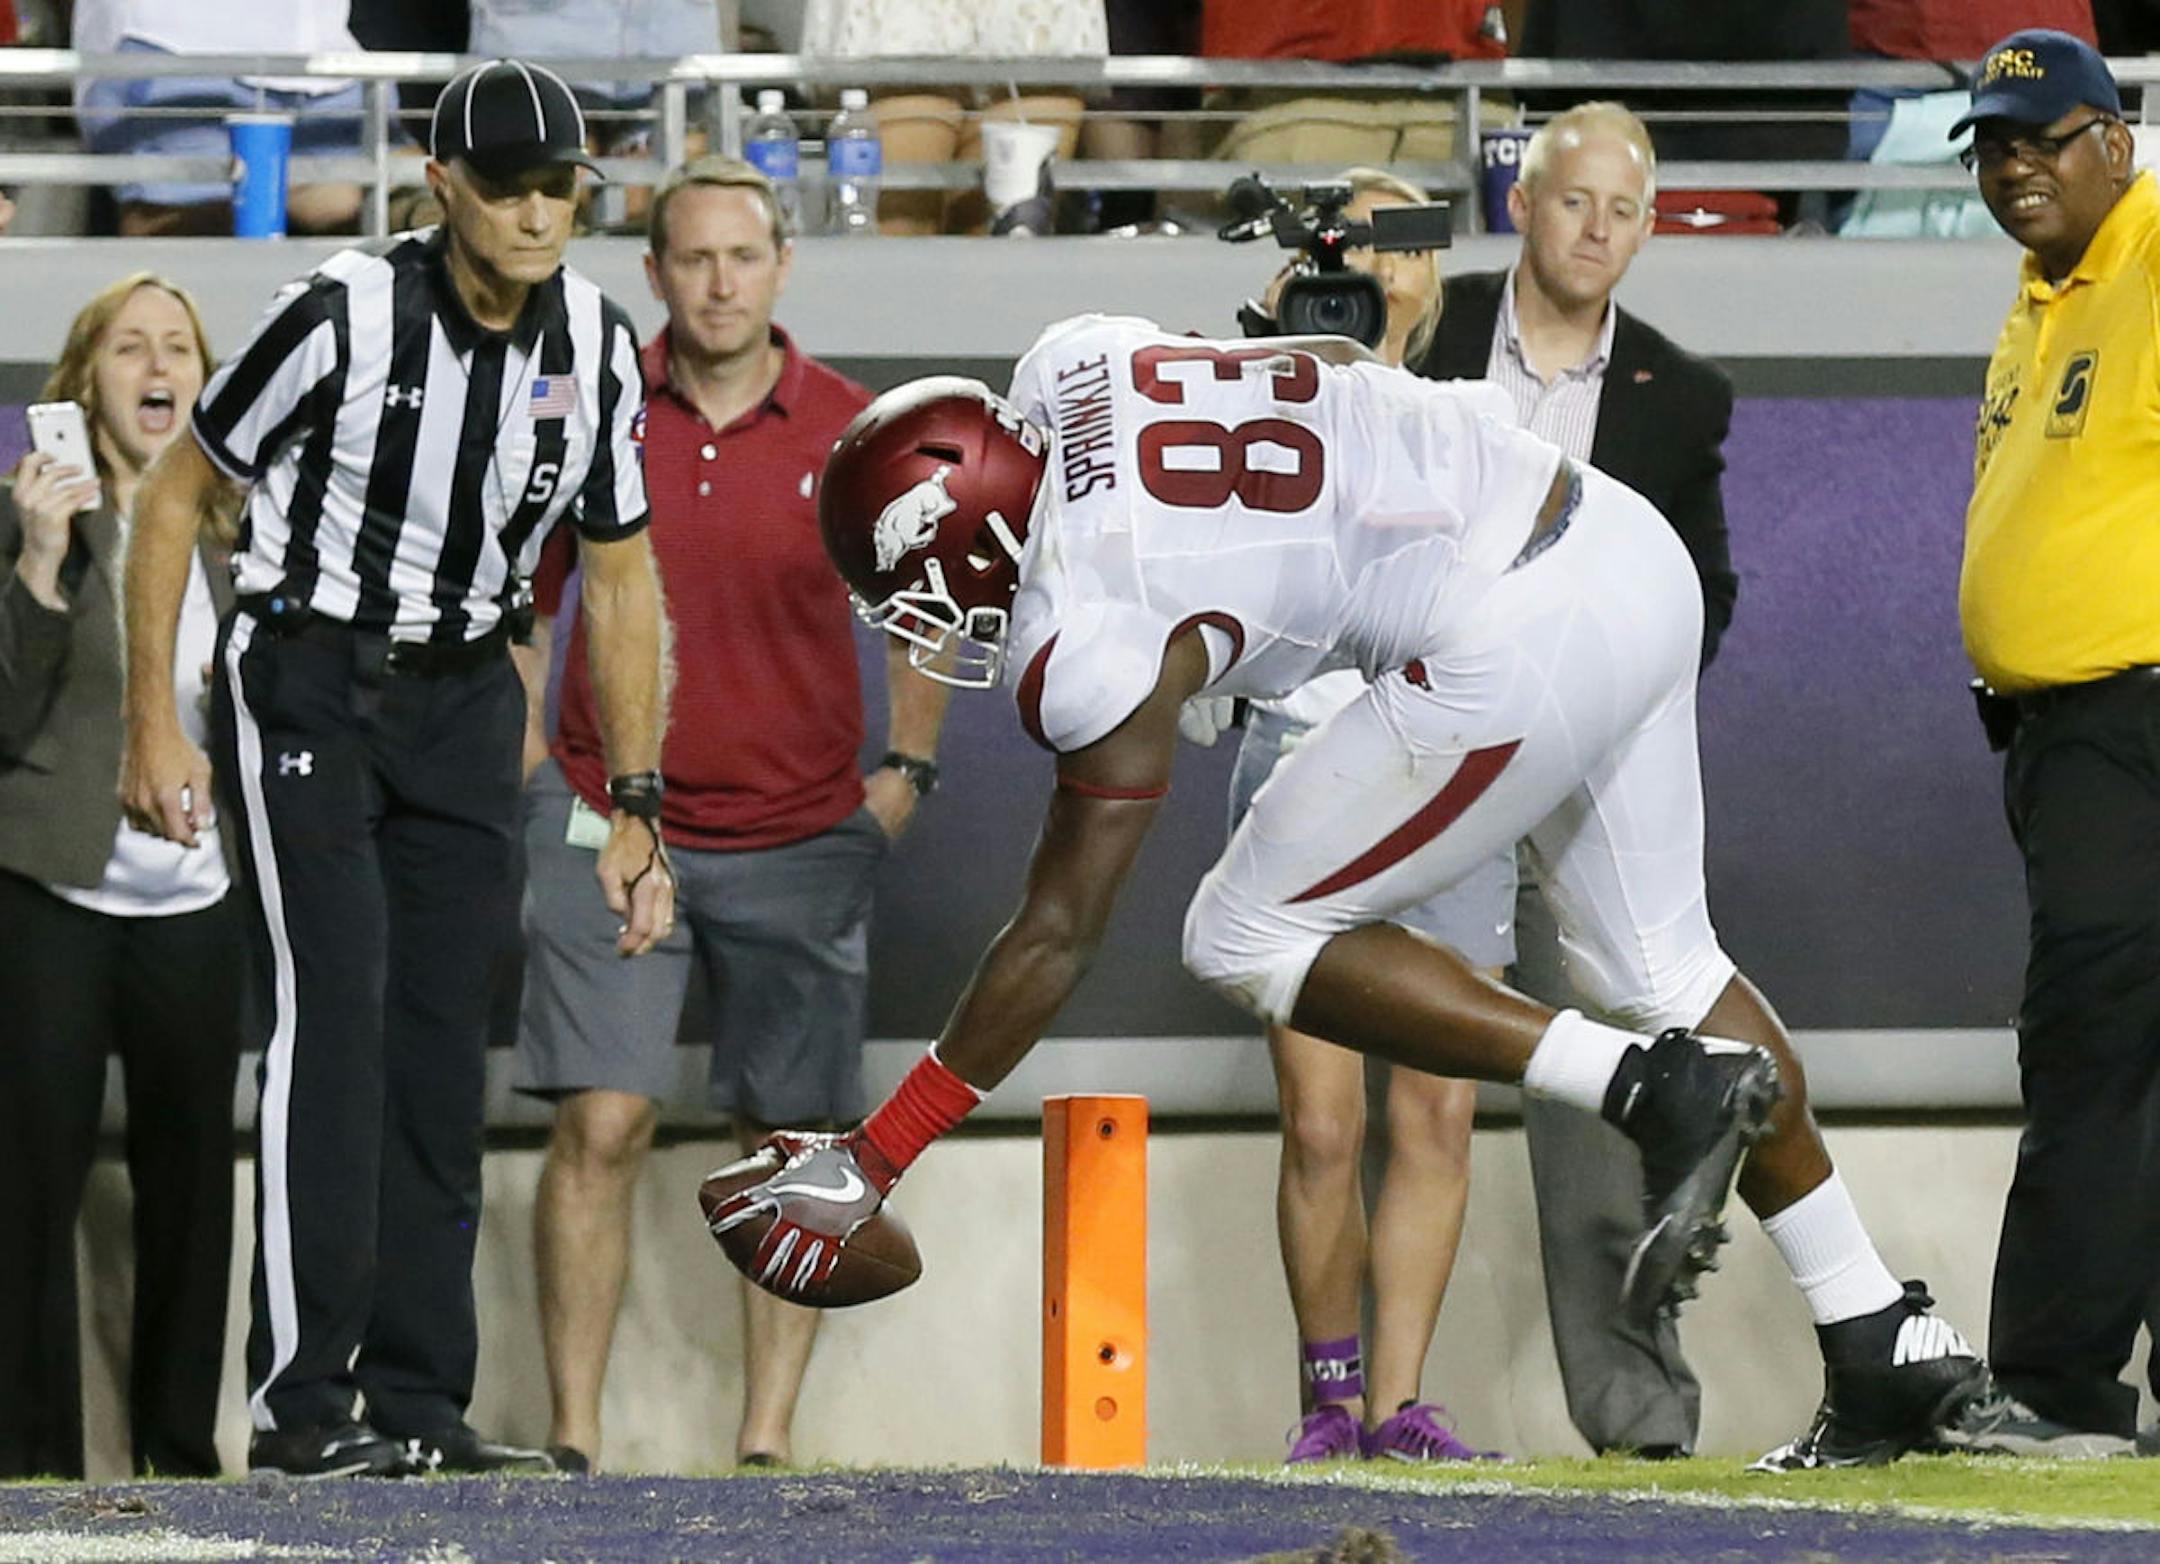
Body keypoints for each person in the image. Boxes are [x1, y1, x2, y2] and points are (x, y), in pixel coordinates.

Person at [711, 311, 1998, 1472]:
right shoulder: (1072, 359)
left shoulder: (1083, 632)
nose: (916, 626)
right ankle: (1883, 1332)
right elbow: (1324, 367)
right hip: (1610, 536)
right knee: (1663, 967)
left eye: (912, 590)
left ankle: (1644, 1088)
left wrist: (878, 1153)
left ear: (977, 531)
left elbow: (1058, 932)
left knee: (1242, 927)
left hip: (1512, 624)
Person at [116, 58, 674, 1480]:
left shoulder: (601, 347)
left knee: (439, 1055)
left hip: (466, 698)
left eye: (562, 188)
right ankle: (305, 1411)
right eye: (508, 187)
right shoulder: (343, 316)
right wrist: (154, 720)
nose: (540, 214)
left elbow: (616, 581)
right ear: (444, 188)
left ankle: (421, 1406)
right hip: (310, 677)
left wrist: (634, 803)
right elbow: (185, 492)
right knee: (336, 1024)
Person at [514, 154, 945, 1475]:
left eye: (740, 257)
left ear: (782, 268)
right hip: (607, 823)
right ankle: (576, 1446)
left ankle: (765, 1448)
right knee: (601, 1122)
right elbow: (523, 603)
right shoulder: (588, 410)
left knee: (796, 1145)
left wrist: (902, 780)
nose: (717, 282)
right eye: (691, 260)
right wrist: (537, 761)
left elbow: (925, 607)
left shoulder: (854, 428)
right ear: (653, 276)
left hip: (806, 834)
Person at [1415, 100, 1735, 1461]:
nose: (1598, 229)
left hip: (1578, 792)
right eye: (1572, 202)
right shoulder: (1422, 328)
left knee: (1607, 1100)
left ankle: (1642, 1424)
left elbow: (1705, 595)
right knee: (1375, 1095)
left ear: (1647, 231)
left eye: (1624, 211)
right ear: (1519, 208)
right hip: (1409, 759)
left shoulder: (1683, 391)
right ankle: (1369, 1416)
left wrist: (1605, 693)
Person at [1214, 169, 1499, 1465]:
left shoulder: (1477, 420)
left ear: (1435, 275)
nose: (1378, 265)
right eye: (1355, 242)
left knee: (1435, 1113)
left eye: (1406, 244)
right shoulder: (1249, 410)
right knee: (1323, 1120)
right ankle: (1330, 1401)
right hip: (1299, 758)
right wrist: (1268, 352)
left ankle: (1400, 1406)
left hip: (1446, 773)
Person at [1951, 28, 2160, 1459]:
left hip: (2133, 718)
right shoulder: (2041, 295)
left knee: (2087, 1049)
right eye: (1994, 145)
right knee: (2116, 1051)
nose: (2015, 164)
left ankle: (2058, 1385)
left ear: (2120, 142)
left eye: (2046, 137)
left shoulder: (2148, 258)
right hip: (2060, 732)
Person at [0, 274, 240, 1478]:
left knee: (195, 1195)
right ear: (85, 378)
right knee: (27, 1191)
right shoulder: (32, 513)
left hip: (197, 905)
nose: (158, 365)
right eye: (130, 347)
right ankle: (29, 1469)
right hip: (51, 892)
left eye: (179, 348)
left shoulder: (239, 524)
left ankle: (178, 1460)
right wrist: (41, 563)